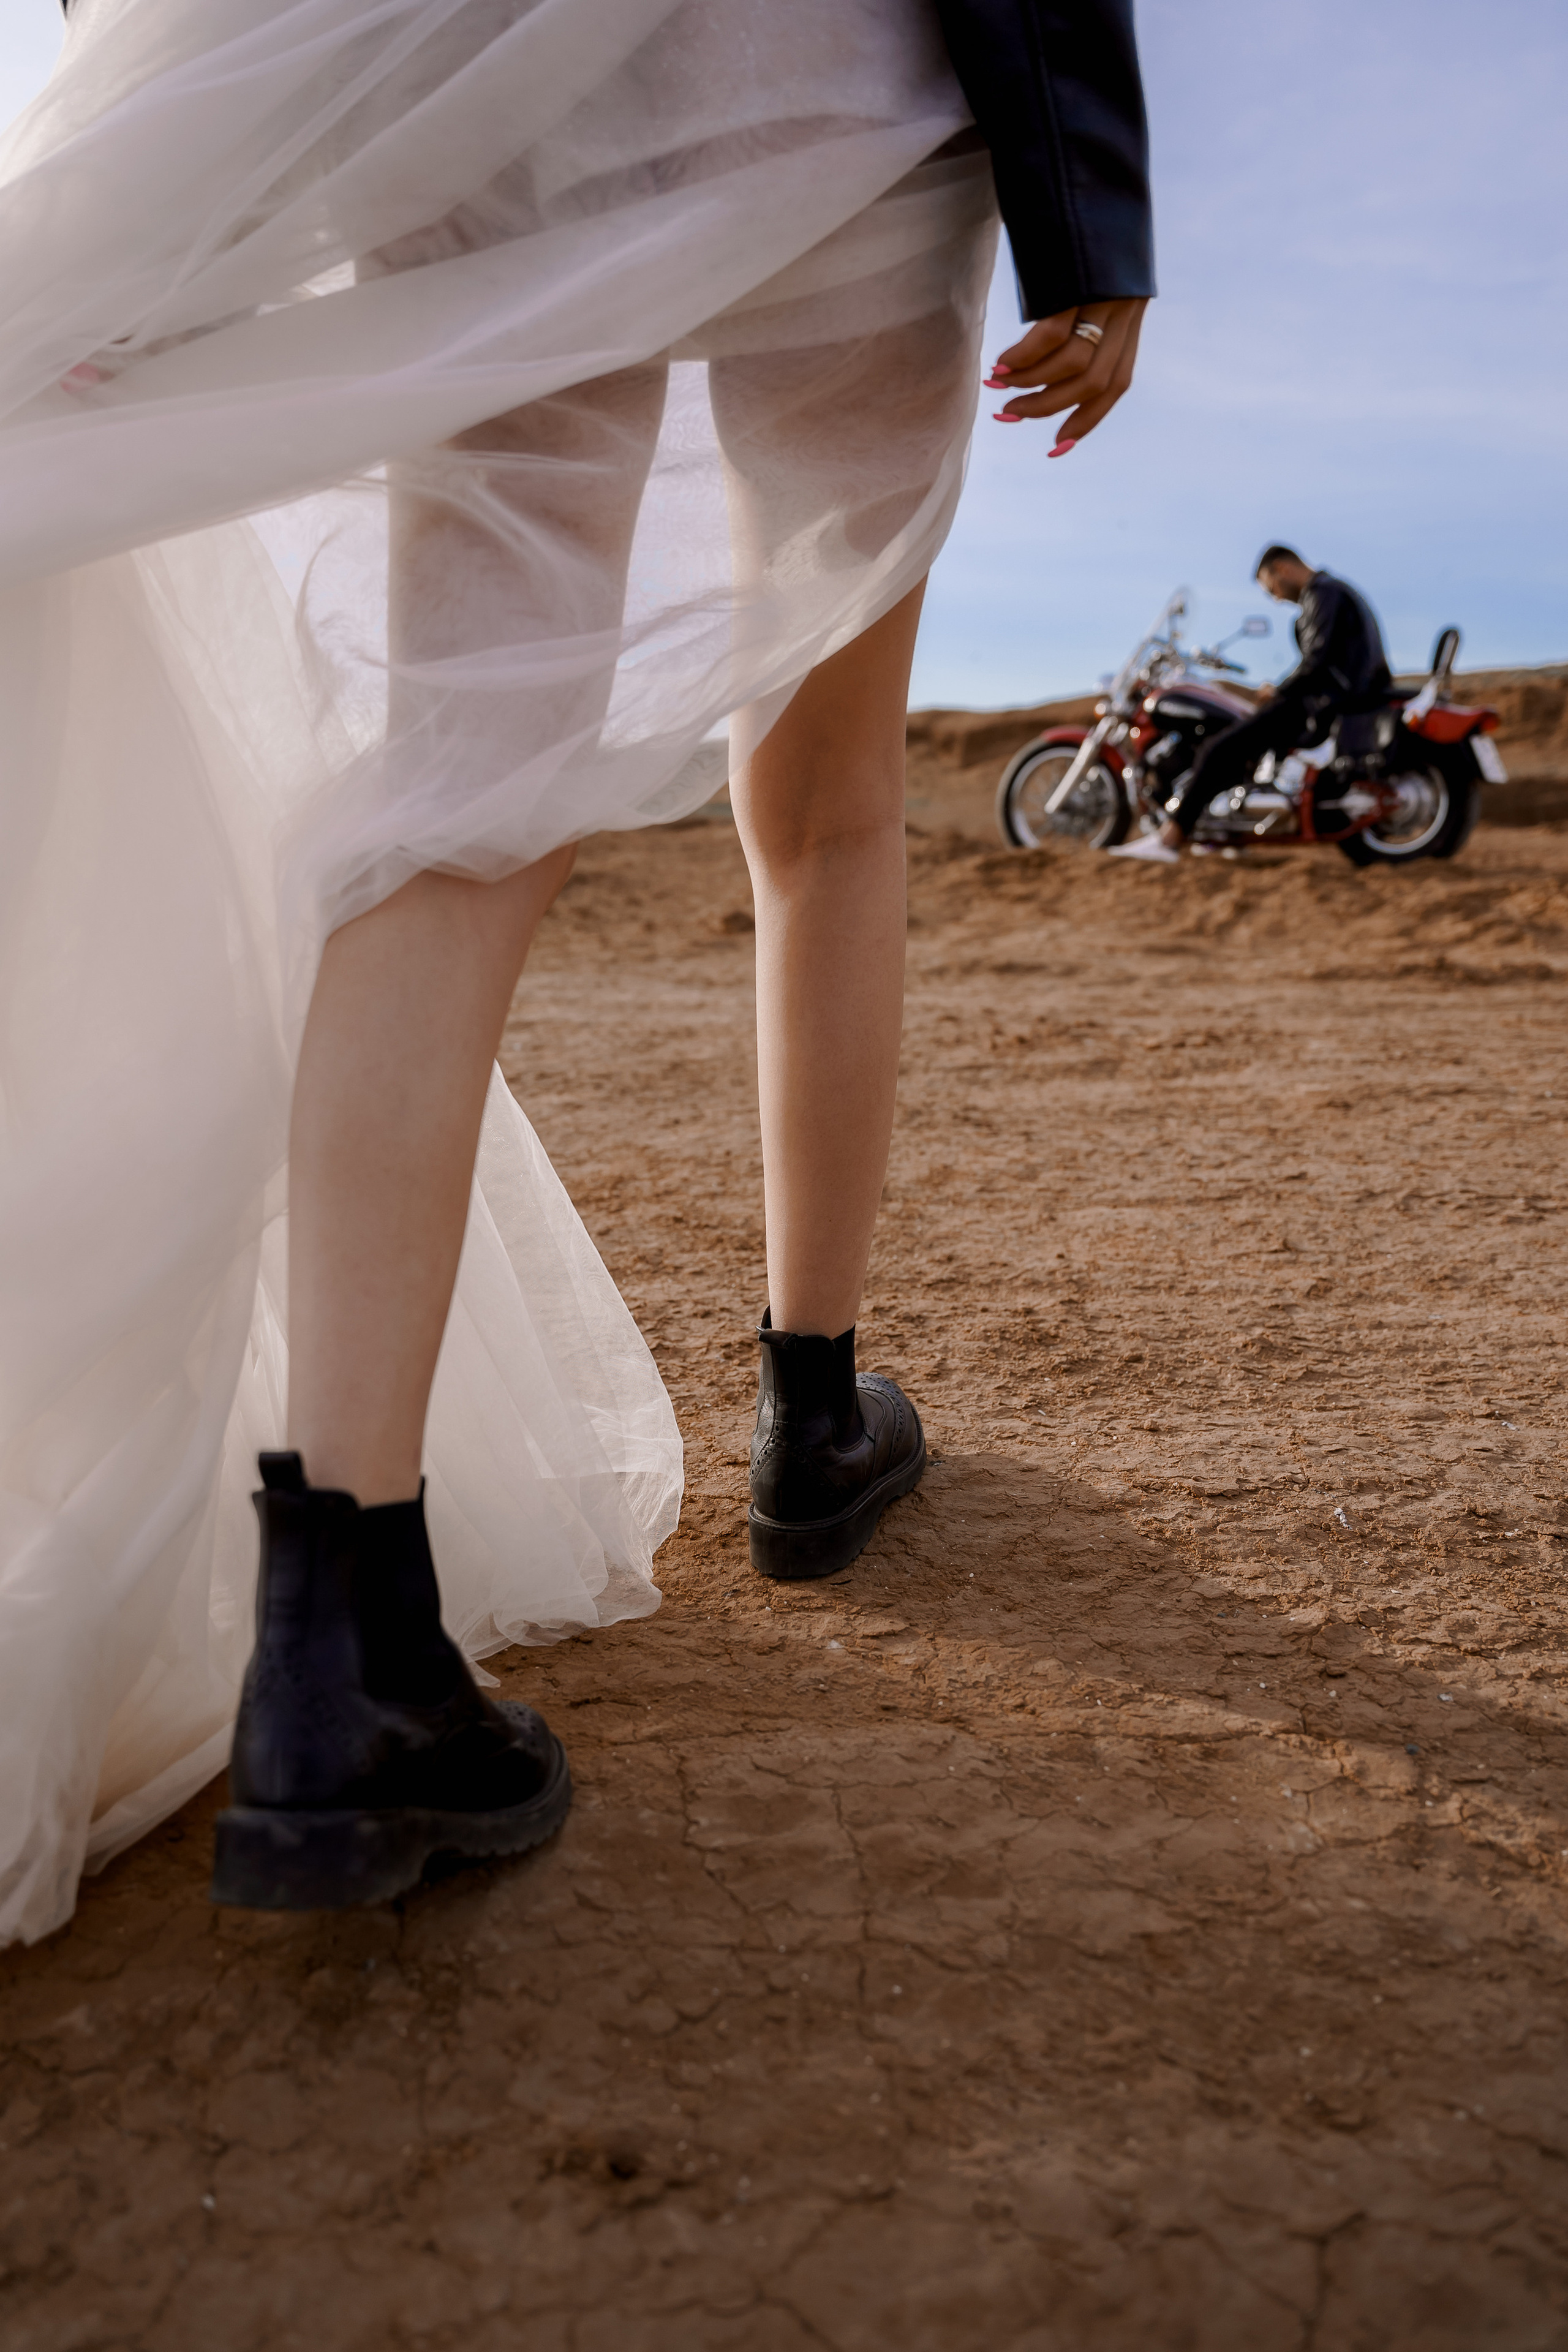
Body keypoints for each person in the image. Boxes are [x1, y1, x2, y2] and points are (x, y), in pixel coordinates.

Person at [0, 0, 1153, 1934]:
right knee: (830, 805)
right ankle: (811, 1411)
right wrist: (1091, 226)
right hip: (829, 99)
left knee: (457, 789)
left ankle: (341, 1631)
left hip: (483, 95)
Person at [1111, 545, 1393, 862]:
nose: (1274, 597)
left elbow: (1319, 659)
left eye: (1269, 586)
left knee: (1219, 749)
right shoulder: (1334, 592)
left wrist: (1280, 691)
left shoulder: (1323, 593)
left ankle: (1170, 839)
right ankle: (1221, 833)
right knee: (1240, 748)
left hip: (1324, 703)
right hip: (1340, 699)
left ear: (1282, 569)